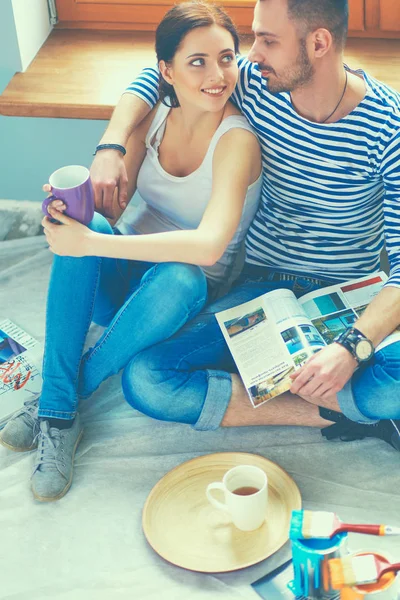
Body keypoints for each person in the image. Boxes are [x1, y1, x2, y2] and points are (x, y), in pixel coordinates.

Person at [89, 0, 400, 449]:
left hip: (346, 297)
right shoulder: (256, 83)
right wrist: (111, 145)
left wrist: (351, 349)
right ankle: (350, 417)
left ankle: (318, 386)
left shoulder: (389, 126)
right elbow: (156, 74)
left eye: (268, 41)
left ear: (318, 43)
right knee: (146, 379)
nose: (251, 55)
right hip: (259, 286)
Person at [0, 1, 263, 502]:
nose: (217, 75)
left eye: (227, 58)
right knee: (87, 222)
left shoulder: (238, 141)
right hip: (128, 280)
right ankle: (60, 400)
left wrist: (90, 243)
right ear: (167, 70)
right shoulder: (158, 112)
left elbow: (209, 247)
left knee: (179, 275)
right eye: (198, 62)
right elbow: (111, 213)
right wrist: (72, 219)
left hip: (178, 297)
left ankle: (59, 404)